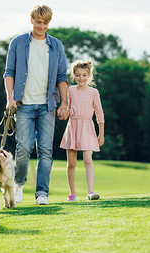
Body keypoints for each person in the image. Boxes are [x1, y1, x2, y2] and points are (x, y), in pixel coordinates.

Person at [3, 4, 69, 205]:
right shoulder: (18, 43)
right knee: (23, 148)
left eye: (45, 23)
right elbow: (9, 72)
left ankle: (42, 193)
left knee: (46, 151)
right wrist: (9, 99)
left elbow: (62, 76)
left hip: (47, 105)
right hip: (23, 105)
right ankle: (19, 183)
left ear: (49, 22)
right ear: (31, 20)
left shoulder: (56, 45)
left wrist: (64, 103)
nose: (42, 26)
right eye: (38, 22)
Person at [60, 60, 105, 201]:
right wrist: (64, 112)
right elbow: (66, 107)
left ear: (89, 76)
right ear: (73, 75)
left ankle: (90, 192)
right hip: (73, 126)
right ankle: (72, 194)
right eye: (78, 75)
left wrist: (101, 133)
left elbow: (99, 113)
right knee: (71, 163)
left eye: (84, 75)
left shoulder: (94, 92)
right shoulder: (70, 90)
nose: (81, 78)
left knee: (87, 160)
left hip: (87, 127)